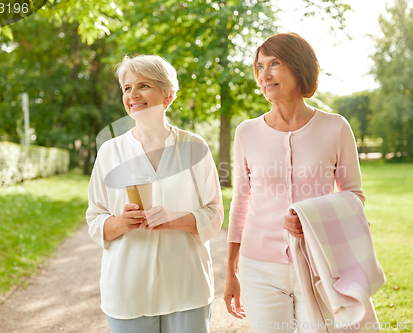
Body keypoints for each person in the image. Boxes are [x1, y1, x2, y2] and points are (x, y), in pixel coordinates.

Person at [224, 32, 366, 333]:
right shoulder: (246, 132)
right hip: (259, 267)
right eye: (259, 66)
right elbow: (241, 201)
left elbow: (353, 194)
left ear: (299, 67)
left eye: (274, 63)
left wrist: (313, 219)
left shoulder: (335, 127)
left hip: (320, 263)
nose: (264, 74)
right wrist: (230, 271)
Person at [86, 54, 223, 333]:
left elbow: (215, 213)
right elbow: (95, 219)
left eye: (144, 85)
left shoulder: (194, 147)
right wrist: (121, 223)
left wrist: (176, 218)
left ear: (168, 95)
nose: (133, 94)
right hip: (128, 291)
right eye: (127, 87)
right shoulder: (110, 152)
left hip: (187, 287)